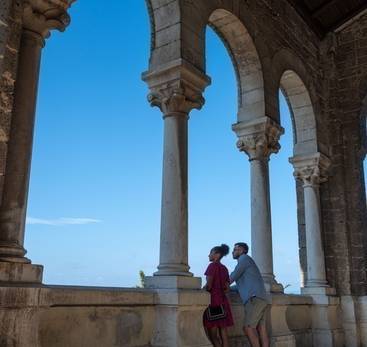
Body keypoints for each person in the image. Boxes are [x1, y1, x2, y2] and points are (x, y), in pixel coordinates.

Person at [230, 242, 269, 347]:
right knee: (261, 329)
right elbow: (240, 285)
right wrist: (229, 288)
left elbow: (233, 276)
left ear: (242, 250)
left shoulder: (244, 259)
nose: (233, 252)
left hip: (254, 299)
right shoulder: (247, 262)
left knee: (248, 328)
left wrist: (221, 285)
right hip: (262, 298)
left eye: (235, 249)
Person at [203, 244, 234, 347]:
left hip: (213, 302)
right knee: (223, 332)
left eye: (210, 253)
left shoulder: (212, 266)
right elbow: (227, 288)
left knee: (213, 335)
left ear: (217, 254)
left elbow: (208, 286)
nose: (208, 255)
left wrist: (201, 291)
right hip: (223, 302)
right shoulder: (224, 268)